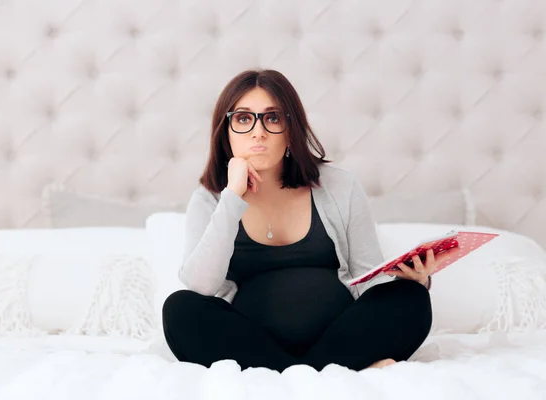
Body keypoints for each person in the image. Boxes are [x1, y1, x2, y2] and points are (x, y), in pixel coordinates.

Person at [162, 69, 452, 372]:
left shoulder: (341, 186)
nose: (258, 132)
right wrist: (232, 197)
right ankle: (331, 372)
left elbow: (369, 279)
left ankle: (295, 375)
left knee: (411, 298)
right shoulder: (210, 198)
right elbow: (200, 286)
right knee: (180, 308)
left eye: (272, 118)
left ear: (291, 128)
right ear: (226, 131)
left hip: (341, 335)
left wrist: (416, 279)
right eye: (244, 119)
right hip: (252, 343)